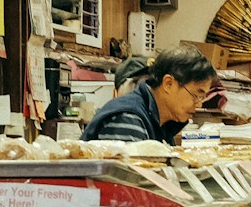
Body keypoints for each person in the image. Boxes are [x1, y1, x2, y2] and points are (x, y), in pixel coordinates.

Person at [82, 43, 215, 143]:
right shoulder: (128, 118)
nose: (198, 105)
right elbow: (130, 177)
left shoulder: (164, 122)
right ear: (168, 84)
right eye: (197, 96)